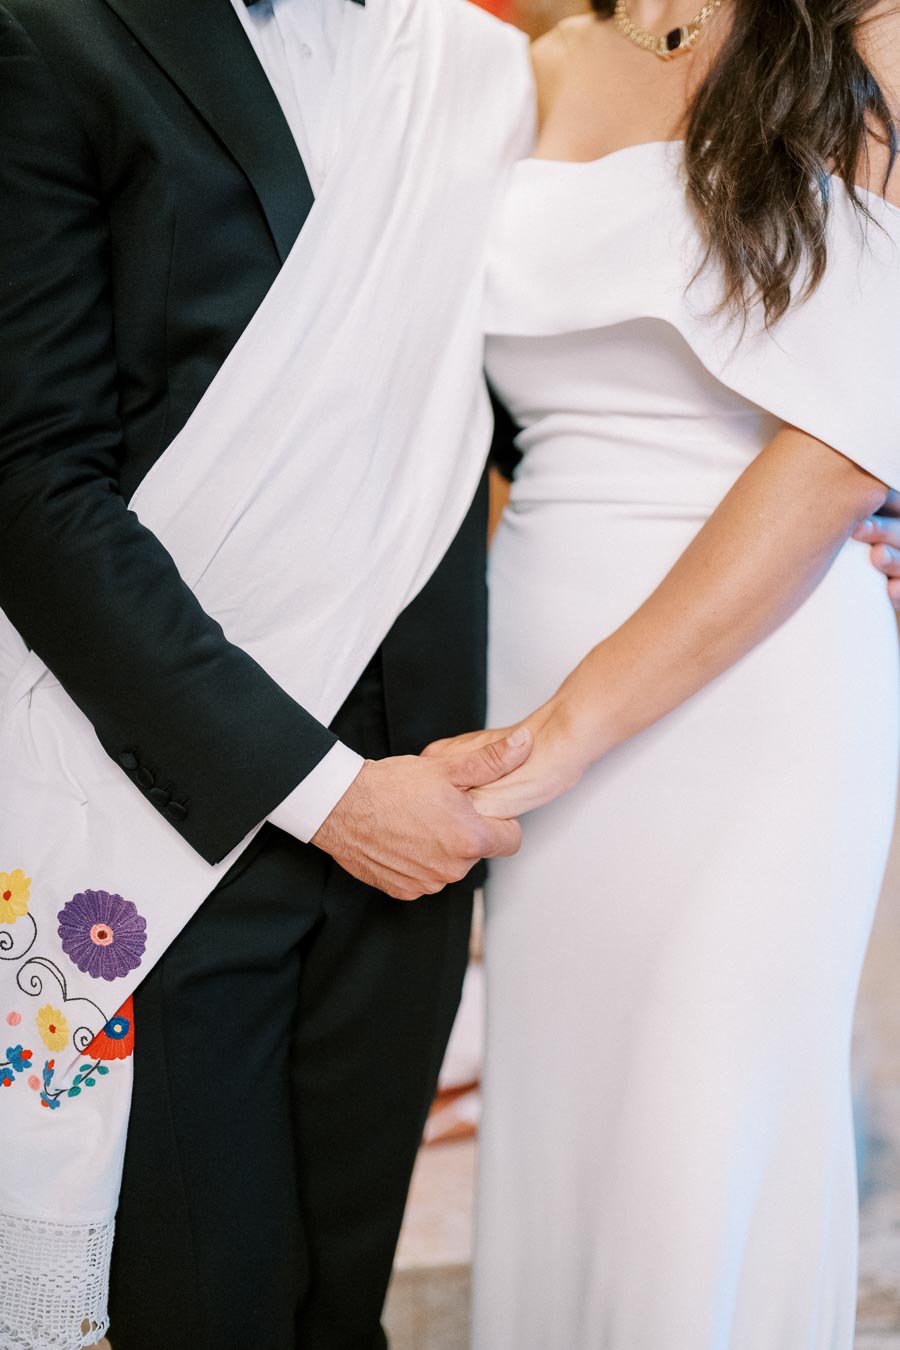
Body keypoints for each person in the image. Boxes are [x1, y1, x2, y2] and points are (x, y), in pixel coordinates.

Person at [0, 0, 534, 1346]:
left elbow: (535, 381)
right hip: (170, 794)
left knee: (339, 1294)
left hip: (419, 782)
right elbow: (31, 483)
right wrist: (322, 792)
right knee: (201, 1296)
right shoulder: (51, 33)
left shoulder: (475, 65)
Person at [424, 2, 900, 1346]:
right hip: (535, 664)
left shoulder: (866, 37)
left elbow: (853, 432)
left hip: (764, 690)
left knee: (700, 1163)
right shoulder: (539, 66)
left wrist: (575, 724)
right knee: (566, 1146)